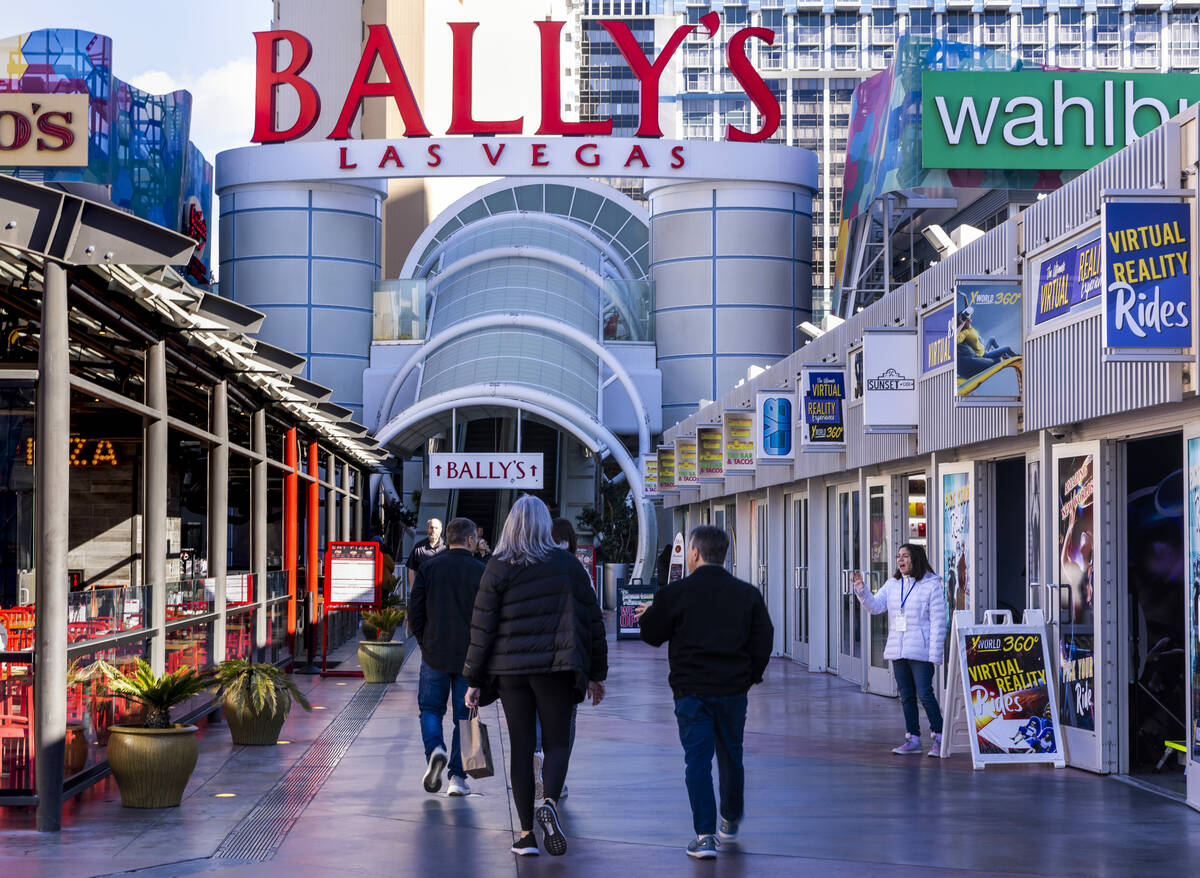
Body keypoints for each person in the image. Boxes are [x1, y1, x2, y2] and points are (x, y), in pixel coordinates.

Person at [463, 495, 607, 858]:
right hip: (556, 669)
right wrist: (596, 673)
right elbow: (592, 621)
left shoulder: (496, 567)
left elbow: (482, 628)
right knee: (558, 743)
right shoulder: (567, 565)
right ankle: (550, 803)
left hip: (510, 672)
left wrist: (474, 680)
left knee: (522, 748)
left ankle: (526, 834)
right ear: (545, 526)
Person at [635, 525, 774, 860]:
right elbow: (764, 639)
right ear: (724, 554)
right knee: (731, 755)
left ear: (694, 553)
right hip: (732, 690)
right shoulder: (747, 594)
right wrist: (749, 677)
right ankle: (730, 817)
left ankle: (704, 835)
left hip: (691, 690)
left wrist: (647, 616)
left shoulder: (677, 592)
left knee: (697, 760)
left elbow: (653, 635)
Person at [408, 517, 485, 798]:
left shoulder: (429, 568)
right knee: (466, 717)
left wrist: (424, 641)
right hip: (469, 657)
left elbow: (414, 612)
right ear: (469, 540)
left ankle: (435, 749)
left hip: (434, 653)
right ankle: (457, 777)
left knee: (430, 709)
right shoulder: (481, 571)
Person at [852, 542, 947, 758]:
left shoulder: (931, 584)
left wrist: (935, 655)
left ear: (916, 558)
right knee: (906, 695)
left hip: (921, 650)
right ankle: (912, 738)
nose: (900, 560)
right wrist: (861, 589)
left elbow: (938, 622)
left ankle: (940, 737)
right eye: (898, 556)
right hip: (898, 649)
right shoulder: (893, 584)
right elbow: (875, 607)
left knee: (925, 693)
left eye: (905, 556)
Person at [956, 308, 1018, 380]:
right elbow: (955, 340)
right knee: (1007, 348)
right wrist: (961, 323)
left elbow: (969, 310)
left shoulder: (971, 328)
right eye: (967, 319)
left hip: (984, 349)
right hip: (983, 355)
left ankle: (1004, 355)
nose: (969, 319)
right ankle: (1015, 357)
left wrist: (966, 314)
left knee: (992, 338)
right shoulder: (965, 333)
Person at [406, 518, 445, 592]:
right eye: (431, 527)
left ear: (441, 530)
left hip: (442, 591)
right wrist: (413, 589)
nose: (433, 530)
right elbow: (411, 569)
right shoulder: (419, 547)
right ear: (427, 529)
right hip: (423, 591)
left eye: (436, 528)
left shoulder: (447, 548)